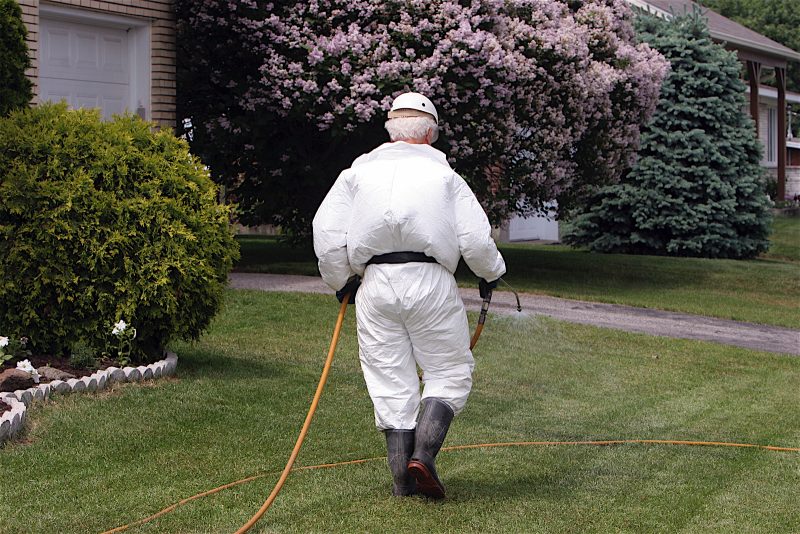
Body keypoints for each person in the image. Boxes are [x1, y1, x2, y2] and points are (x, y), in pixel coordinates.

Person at [312, 92, 506, 499]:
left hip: (376, 283)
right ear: (431, 134)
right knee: (449, 371)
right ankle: (424, 457)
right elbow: (474, 238)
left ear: (390, 131)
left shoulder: (356, 173)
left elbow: (326, 233)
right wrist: (491, 274)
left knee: (389, 380)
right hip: (430, 281)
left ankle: (403, 483)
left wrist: (340, 280)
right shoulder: (445, 177)